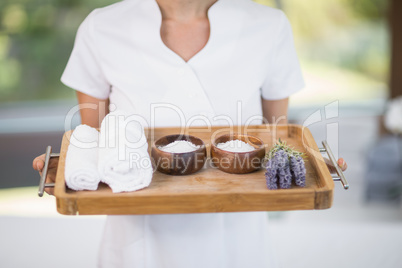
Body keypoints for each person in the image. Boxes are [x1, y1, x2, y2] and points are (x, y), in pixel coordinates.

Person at [33, 0, 347, 267]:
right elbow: (94, 141)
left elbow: (276, 138)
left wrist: (304, 166)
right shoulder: (102, 28)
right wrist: (70, 172)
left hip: (239, 245)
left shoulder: (269, 26)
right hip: (138, 245)